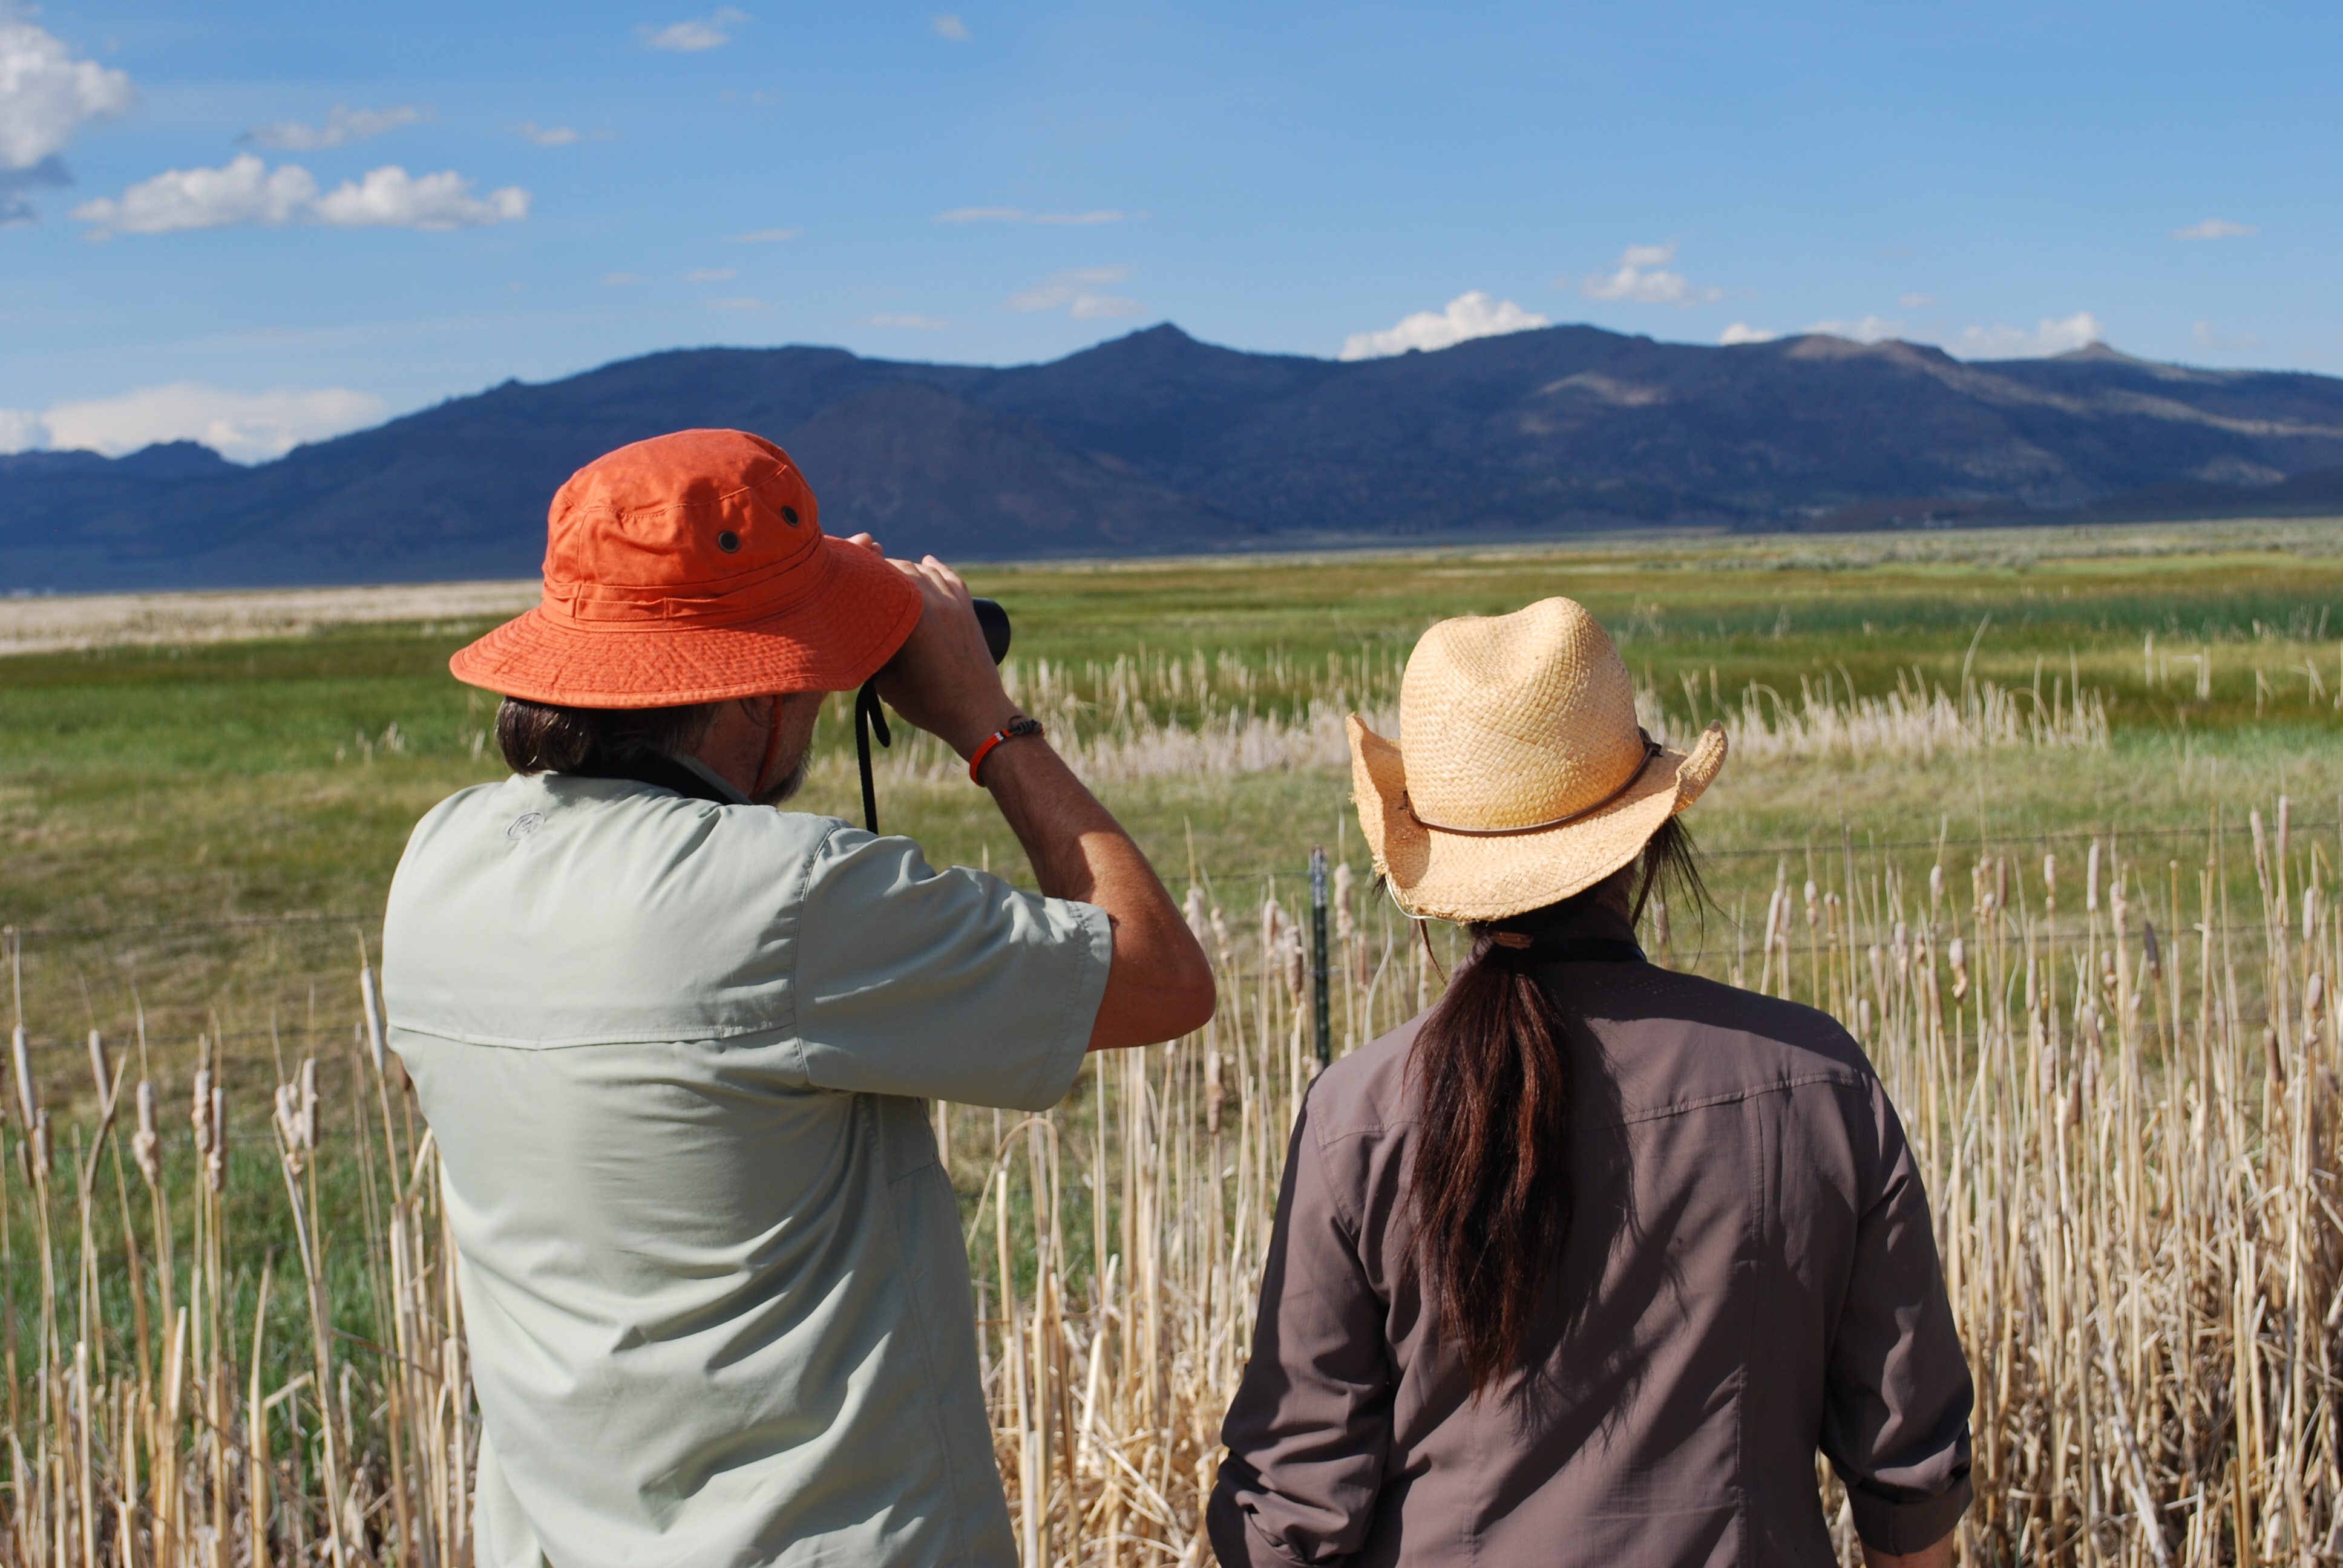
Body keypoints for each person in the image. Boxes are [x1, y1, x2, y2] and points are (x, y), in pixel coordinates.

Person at [380, 428, 1215, 1567]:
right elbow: (1161, 978)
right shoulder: (787, 895)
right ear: (757, 697)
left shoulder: (442, 860)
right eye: (813, 670)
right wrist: (985, 717)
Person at [1209, 598, 1972, 1567]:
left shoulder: (1357, 1117)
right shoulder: (1817, 1081)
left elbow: (1294, 1512)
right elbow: (1910, 1490)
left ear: (1442, 878)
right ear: (1649, 837)